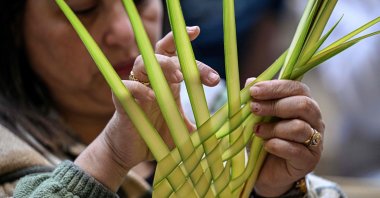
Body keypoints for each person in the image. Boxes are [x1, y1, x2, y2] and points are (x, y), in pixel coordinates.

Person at [0, 0, 344, 197]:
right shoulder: (8, 148)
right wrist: (110, 157)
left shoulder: (219, 108)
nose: (125, 31)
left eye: (139, 3)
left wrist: (275, 190)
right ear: (15, 24)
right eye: (84, 8)